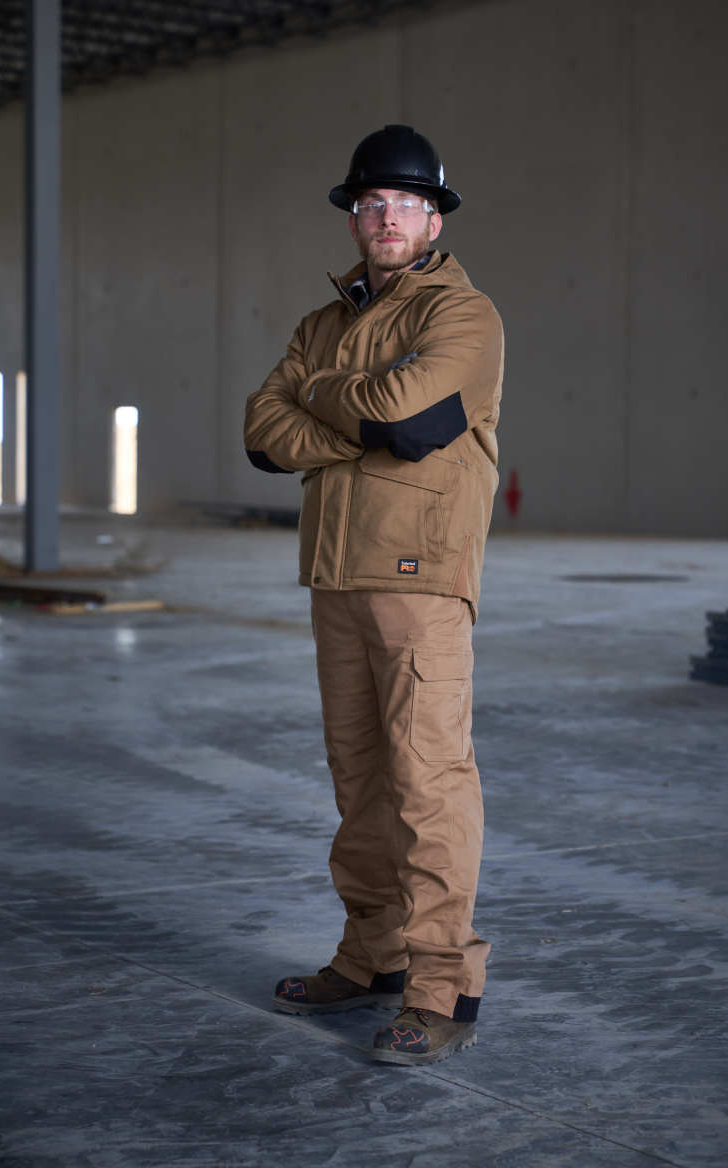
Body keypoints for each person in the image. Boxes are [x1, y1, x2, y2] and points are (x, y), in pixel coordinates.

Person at [244, 124, 503, 1065]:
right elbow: (260, 431)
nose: (385, 216)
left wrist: (326, 402)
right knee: (358, 780)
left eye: (404, 203)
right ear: (353, 219)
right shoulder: (325, 323)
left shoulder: (463, 316)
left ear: (433, 219)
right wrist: (354, 413)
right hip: (336, 574)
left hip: (420, 578)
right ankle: (372, 957)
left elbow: (408, 416)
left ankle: (441, 989)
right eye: (370, 203)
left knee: (427, 782)